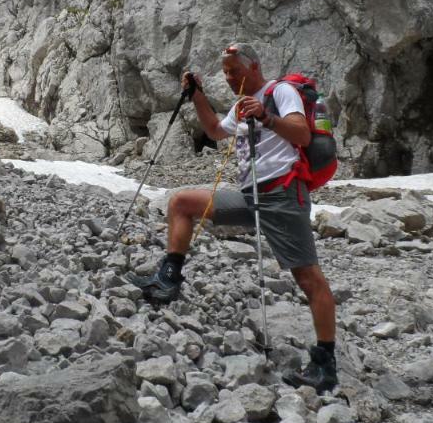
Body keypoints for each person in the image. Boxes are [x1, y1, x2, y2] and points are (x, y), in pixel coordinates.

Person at [130, 41, 339, 392]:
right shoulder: (242, 105)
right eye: (226, 72)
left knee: (308, 277)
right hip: (251, 195)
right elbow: (214, 131)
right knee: (181, 203)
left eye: (235, 72)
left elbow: (302, 135)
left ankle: (325, 363)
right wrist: (197, 95)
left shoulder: (281, 92)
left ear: (253, 67)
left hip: (282, 195)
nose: (229, 78)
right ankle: (168, 279)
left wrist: (266, 117)